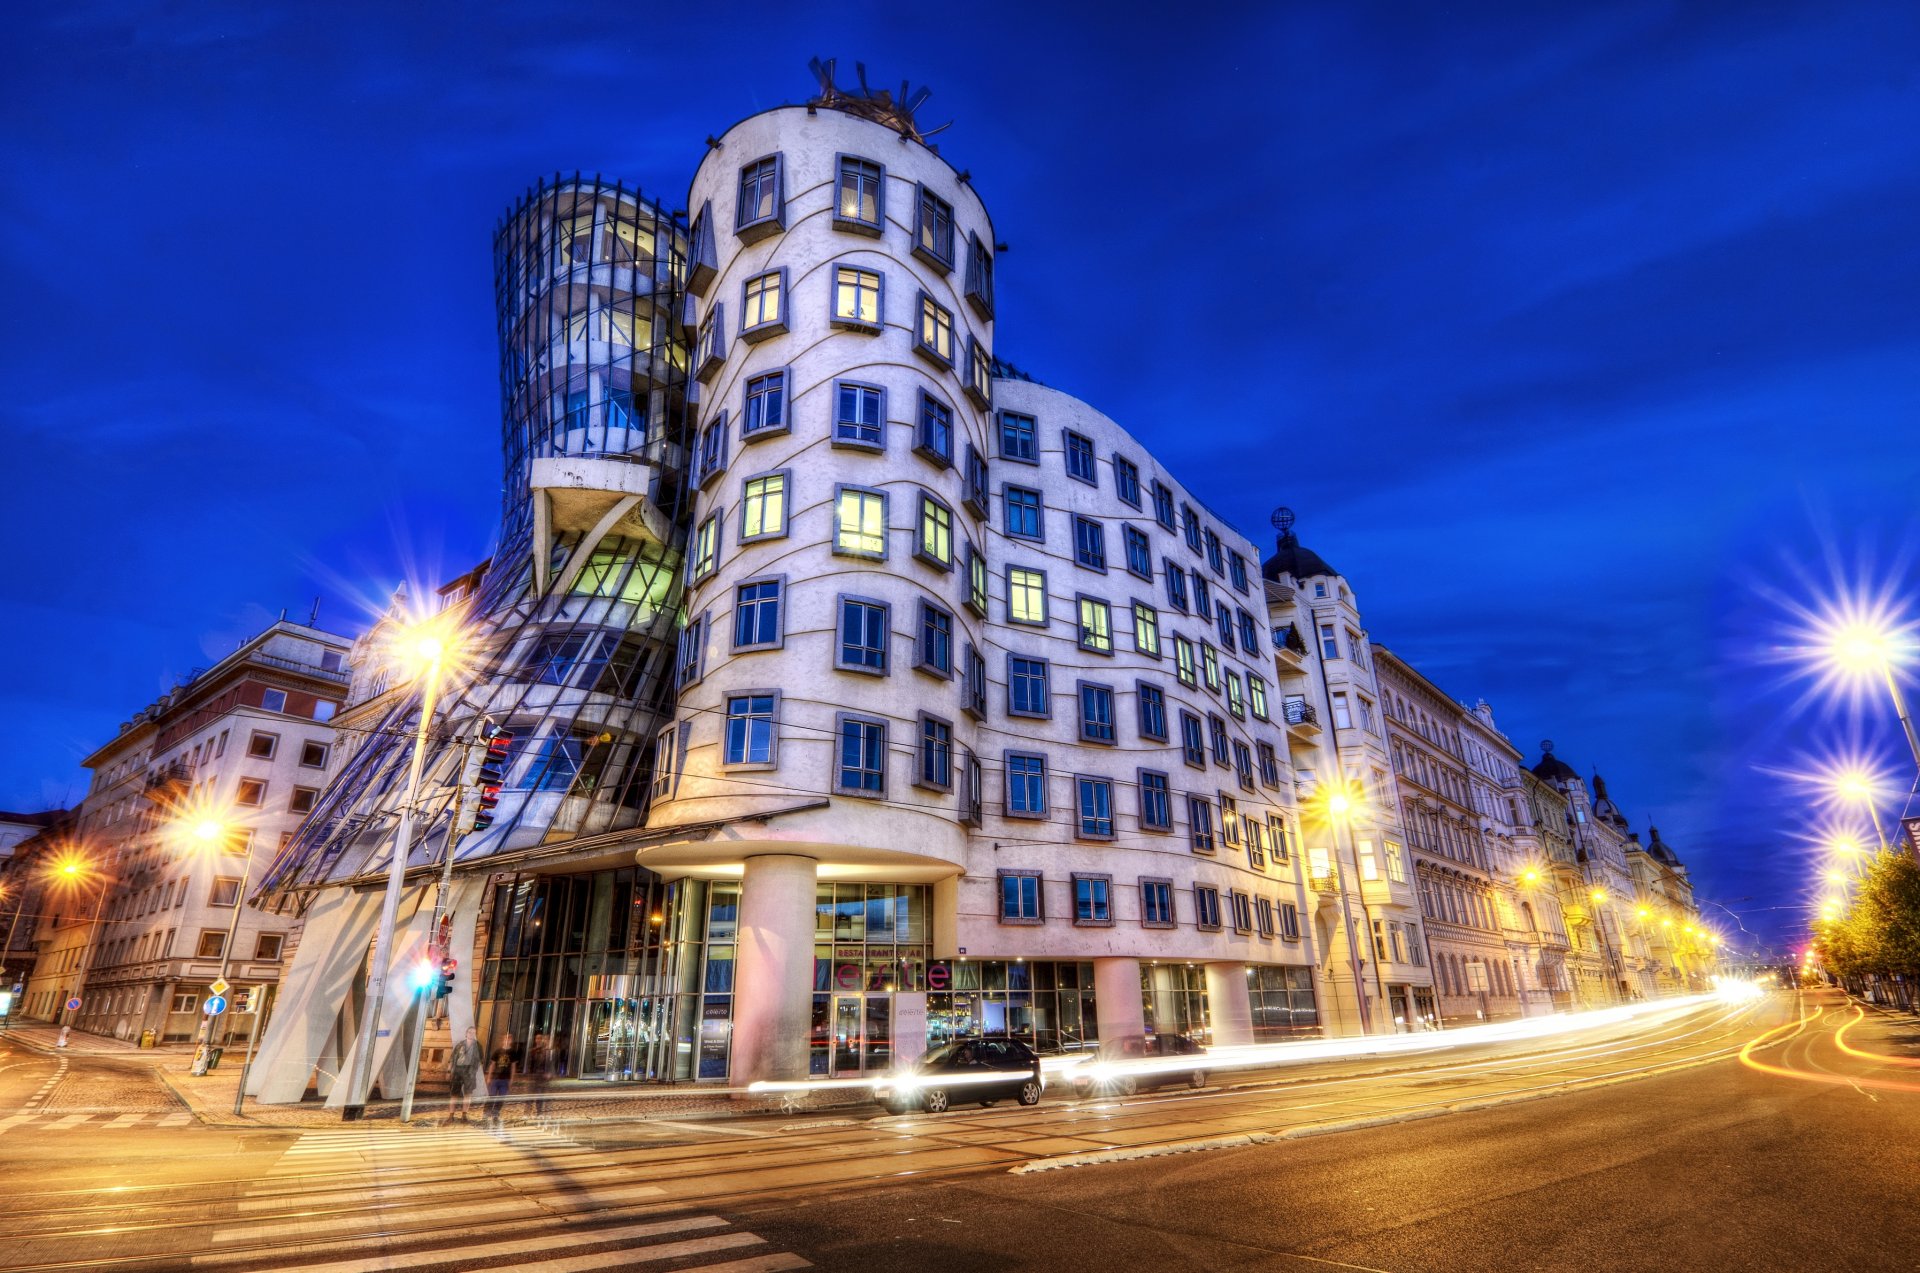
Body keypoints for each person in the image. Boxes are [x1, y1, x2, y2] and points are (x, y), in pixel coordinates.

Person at [446, 1027, 482, 1123]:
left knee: (467, 1095)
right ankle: (451, 1116)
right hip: (458, 1071)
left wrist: (473, 1071)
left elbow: (480, 1061)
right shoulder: (459, 1045)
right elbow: (452, 1059)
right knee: (454, 1095)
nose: (471, 1034)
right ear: (466, 1033)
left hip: (469, 1072)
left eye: (473, 1032)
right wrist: (449, 1072)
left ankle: (464, 1116)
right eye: (469, 1032)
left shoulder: (478, 1046)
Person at [484, 1033, 515, 1128]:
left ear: (511, 1041)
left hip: (505, 1079)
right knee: (491, 1097)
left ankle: (495, 1115)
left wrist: (512, 1079)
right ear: (503, 1040)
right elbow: (492, 1065)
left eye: (509, 1039)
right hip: (495, 1078)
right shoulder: (497, 1051)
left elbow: (513, 1067)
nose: (507, 1041)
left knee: (501, 1098)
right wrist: (489, 1077)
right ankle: (486, 1114)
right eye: (505, 1039)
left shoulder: (513, 1052)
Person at [526, 1032, 554, 1122]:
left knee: (540, 1096)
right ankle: (527, 1113)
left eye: (542, 1039)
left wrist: (550, 1073)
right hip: (534, 1076)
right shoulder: (535, 1051)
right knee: (530, 1096)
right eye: (538, 1039)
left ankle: (539, 1113)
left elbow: (551, 1064)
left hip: (543, 1078)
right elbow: (531, 1063)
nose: (542, 1041)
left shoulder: (549, 1052)